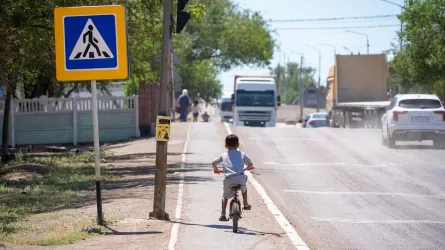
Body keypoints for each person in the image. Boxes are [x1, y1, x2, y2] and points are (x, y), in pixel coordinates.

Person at [212, 134, 254, 221]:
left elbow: (213, 162)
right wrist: (248, 167)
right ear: (238, 145)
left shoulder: (223, 155)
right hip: (240, 177)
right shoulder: (242, 154)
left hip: (228, 179)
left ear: (225, 145)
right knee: (244, 185)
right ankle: (245, 203)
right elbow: (250, 164)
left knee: (225, 196)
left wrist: (216, 169)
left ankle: (223, 214)